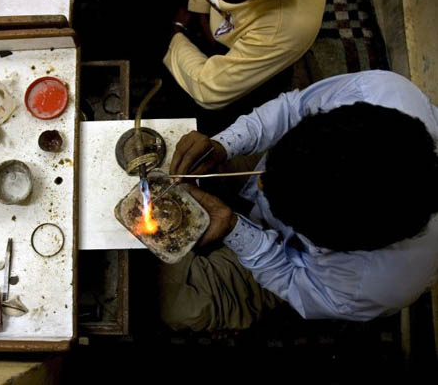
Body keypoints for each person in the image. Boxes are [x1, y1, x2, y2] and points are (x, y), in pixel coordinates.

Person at [159, 70, 438, 331]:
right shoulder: (378, 92)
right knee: (172, 156)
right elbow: (293, 109)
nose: (259, 183)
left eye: (276, 197)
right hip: (285, 172)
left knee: (182, 308)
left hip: (291, 258)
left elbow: (291, 279)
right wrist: (225, 144)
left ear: (333, 243)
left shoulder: (369, 286)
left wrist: (234, 228)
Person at [164, 0, 327, 110]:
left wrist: (174, 36)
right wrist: (200, 9)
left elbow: (208, 89)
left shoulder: (286, 27)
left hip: (258, 67)